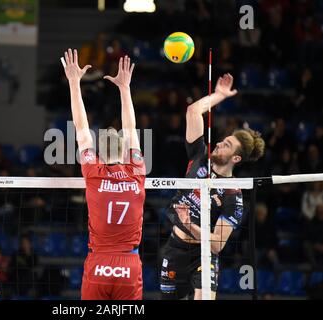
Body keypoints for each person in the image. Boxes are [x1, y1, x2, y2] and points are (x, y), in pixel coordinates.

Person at [160, 73, 266, 300]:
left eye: (227, 145)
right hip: (175, 248)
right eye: (223, 139)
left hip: (205, 256)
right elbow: (193, 111)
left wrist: (190, 224)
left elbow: (217, 244)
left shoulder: (233, 195)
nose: (219, 143)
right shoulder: (199, 157)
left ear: (236, 159)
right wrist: (219, 95)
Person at [62, 49, 146, 300]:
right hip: (128, 263)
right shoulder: (136, 171)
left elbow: (81, 127)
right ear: (124, 152)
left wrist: (74, 82)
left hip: (99, 261)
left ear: (99, 152)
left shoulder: (93, 172)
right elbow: (130, 128)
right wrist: (125, 87)